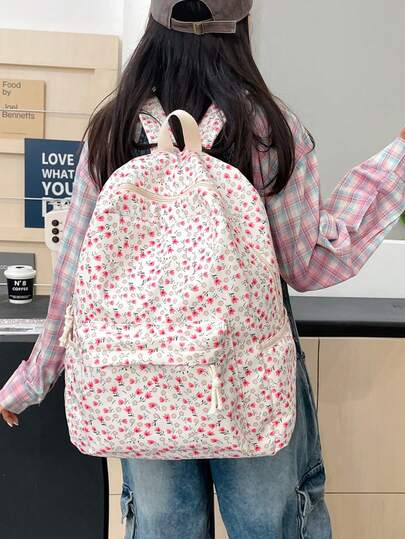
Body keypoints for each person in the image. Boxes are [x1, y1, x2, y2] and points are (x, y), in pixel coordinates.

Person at [1, 1, 404, 537]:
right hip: (246, 375)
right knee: (270, 526)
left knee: (164, 526)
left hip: (140, 378)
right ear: (243, 26)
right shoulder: (265, 130)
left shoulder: (113, 130)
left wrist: (32, 380)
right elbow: (307, 265)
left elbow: (73, 279)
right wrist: (396, 163)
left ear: (153, 26)